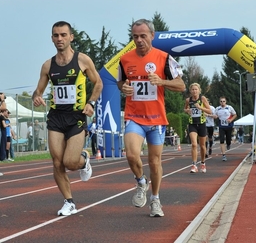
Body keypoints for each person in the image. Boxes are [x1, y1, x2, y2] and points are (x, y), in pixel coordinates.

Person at [32, 20, 103, 216]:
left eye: (63, 35)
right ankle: (69, 201)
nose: (59, 38)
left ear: (71, 37)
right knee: (57, 162)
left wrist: (91, 103)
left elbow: (98, 83)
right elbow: (37, 91)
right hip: (56, 117)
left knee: (70, 162)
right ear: (52, 38)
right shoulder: (48, 65)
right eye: (56, 35)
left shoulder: (83, 60)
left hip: (76, 117)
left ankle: (84, 160)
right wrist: (37, 97)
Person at [117, 18, 185, 217]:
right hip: (134, 116)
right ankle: (140, 181)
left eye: (143, 36)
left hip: (156, 119)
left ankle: (155, 199)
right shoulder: (125, 59)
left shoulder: (164, 58)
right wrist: (124, 88)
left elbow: (181, 85)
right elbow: (120, 82)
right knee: (131, 155)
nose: (139, 40)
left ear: (152, 36)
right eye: (135, 36)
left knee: (155, 162)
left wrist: (161, 81)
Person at [184, 83, 212, 173]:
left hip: (201, 124)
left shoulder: (202, 99)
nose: (194, 91)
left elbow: (210, 111)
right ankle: (194, 165)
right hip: (192, 124)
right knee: (194, 144)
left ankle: (203, 163)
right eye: (193, 89)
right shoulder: (188, 100)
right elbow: (185, 109)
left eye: (196, 89)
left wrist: (200, 107)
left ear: (199, 90)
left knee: (202, 146)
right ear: (190, 91)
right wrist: (187, 111)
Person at [214, 96, 237, 161]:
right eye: (221, 101)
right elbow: (215, 115)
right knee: (221, 140)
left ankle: (228, 144)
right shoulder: (217, 109)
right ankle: (224, 155)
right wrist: (214, 116)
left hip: (229, 126)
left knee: (228, 139)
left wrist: (231, 120)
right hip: (221, 127)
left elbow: (235, 115)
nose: (222, 103)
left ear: (225, 102)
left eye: (223, 101)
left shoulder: (229, 108)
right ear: (219, 102)